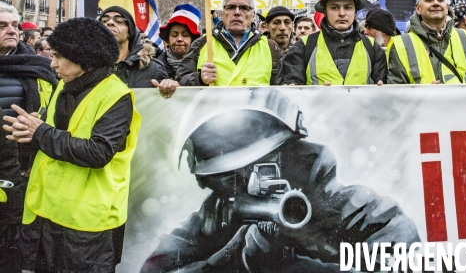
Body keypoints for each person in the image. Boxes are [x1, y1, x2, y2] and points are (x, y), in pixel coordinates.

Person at [140, 89, 419, 272]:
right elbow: (155, 267)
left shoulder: (351, 207)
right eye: (234, 177)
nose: (253, 183)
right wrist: (234, 258)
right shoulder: (217, 216)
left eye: (265, 167)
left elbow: (407, 261)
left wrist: (297, 264)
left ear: (294, 157)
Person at [3, 17, 142, 272]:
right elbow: (51, 132)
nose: (52, 62)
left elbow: (98, 152)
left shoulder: (116, 96)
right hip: (47, 214)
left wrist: (40, 132)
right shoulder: (64, 84)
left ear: (84, 58)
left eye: (58, 56)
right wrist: (30, 130)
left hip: (87, 226)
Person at [0, 3, 56, 273]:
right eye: (2, 26)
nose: (12, 30)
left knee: (16, 242)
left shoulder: (40, 67)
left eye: (14, 25)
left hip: (22, 168)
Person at [278, 0, 387, 85]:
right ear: (325, 12)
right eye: (334, 8)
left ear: (355, 12)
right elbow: (293, 88)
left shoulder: (372, 47)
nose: (342, 13)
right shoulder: (303, 46)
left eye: (348, 7)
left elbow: (382, 87)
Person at [177, 0, 281, 86]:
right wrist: (199, 78)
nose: (237, 12)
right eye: (231, 7)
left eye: (244, 8)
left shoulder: (270, 47)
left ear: (253, 15)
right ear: (222, 14)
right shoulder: (203, 42)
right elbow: (179, 81)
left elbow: (282, 89)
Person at [387, 0, 466, 84]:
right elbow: (396, 90)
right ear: (418, 9)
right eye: (429, 0)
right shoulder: (400, 44)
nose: (436, 3)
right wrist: (426, 94)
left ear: (446, 7)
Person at [100, 6, 168, 88]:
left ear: (129, 32)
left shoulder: (153, 69)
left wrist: (169, 85)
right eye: (104, 21)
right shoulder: (87, 68)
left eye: (118, 21)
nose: (110, 23)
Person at [156, 3, 202, 79]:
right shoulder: (155, 67)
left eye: (185, 35)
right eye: (174, 35)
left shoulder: (202, 66)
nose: (179, 39)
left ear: (193, 40)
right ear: (167, 40)